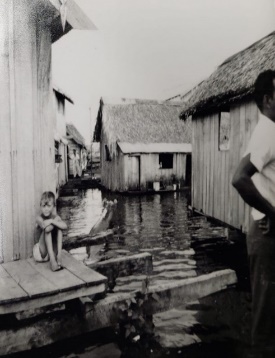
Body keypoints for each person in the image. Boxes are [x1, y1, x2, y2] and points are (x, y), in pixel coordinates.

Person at [232, 70, 275, 357]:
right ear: (269, 99)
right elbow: (239, 178)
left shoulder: (270, 131)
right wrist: (273, 212)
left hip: (266, 231)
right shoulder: (268, 132)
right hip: (266, 234)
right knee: (265, 317)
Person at [33, 191, 67, 271]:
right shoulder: (39, 218)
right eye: (43, 206)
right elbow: (47, 229)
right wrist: (56, 221)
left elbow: (65, 226)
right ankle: (52, 259)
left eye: (49, 206)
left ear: (54, 206)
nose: (46, 209)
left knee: (59, 228)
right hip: (40, 254)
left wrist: (52, 221)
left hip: (49, 252)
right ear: (40, 206)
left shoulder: (54, 217)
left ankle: (59, 255)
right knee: (49, 229)